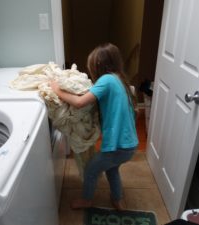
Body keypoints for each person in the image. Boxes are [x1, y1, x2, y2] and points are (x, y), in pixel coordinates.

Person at [50, 43, 138, 210]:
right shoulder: (120, 80)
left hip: (117, 147)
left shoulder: (106, 80)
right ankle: (117, 200)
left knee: (91, 169)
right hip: (129, 145)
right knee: (112, 170)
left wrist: (57, 90)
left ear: (97, 66)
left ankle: (87, 200)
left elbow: (79, 102)